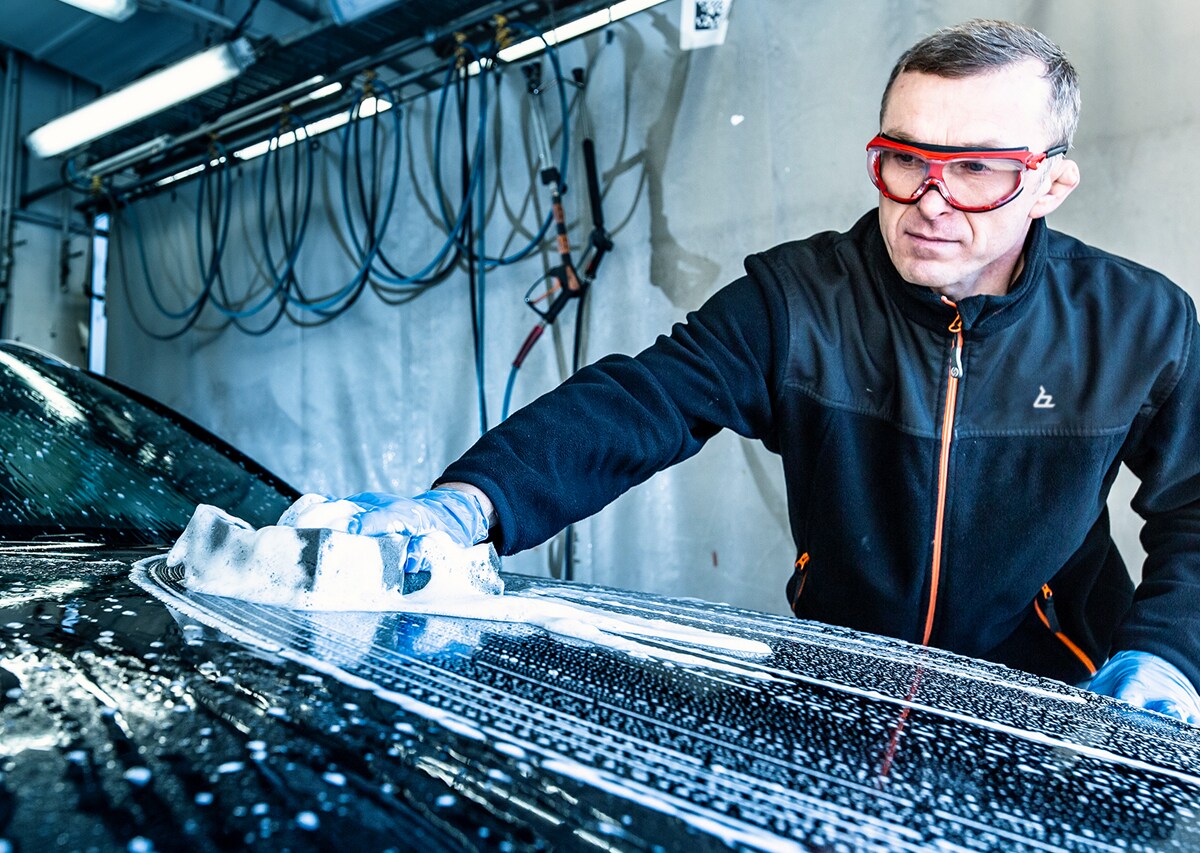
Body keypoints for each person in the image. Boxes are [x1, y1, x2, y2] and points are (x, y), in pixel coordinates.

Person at [300, 20, 1200, 722]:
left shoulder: (1138, 323)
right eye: (904, 160)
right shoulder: (798, 299)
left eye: (974, 171)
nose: (928, 201)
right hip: (838, 687)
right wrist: (470, 506)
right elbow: (642, 401)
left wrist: (1166, 657)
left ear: (1050, 185)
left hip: (1055, 701)